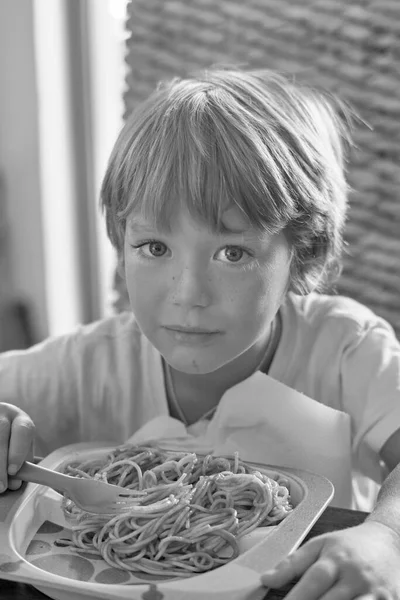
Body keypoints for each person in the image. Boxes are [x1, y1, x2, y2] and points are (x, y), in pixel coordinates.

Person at [1, 66, 400, 598]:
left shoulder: (347, 347)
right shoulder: (91, 361)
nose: (188, 293)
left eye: (233, 253)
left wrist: (388, 536)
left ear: (301, 255)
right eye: (154, 248)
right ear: (121, 248)